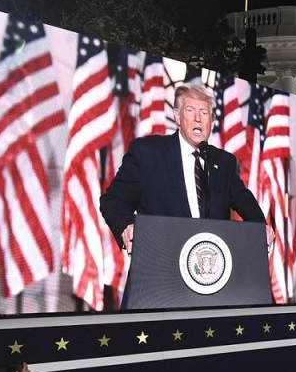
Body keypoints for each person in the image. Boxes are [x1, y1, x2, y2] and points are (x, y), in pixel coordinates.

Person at [100, 85, 270, 254]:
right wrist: (127, 227)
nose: (198, 118)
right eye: (190, 110)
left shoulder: (223, 162)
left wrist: (262, 230)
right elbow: (113, 201)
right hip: (160, 265)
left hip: (208, 271)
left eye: (204, 113)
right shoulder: (147, 153)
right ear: (177, 117)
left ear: (211, 121)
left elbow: (249, 207)